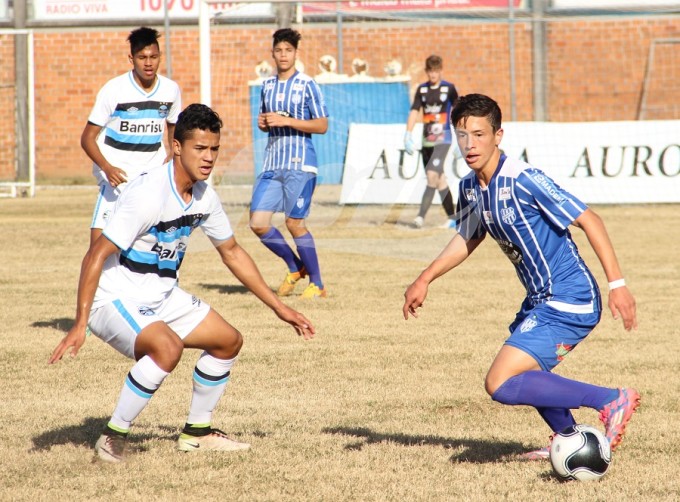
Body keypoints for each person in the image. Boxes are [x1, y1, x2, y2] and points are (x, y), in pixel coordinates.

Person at [49, 104, 315, 463]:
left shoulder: (204, 195)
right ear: (176, 147)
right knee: (167, 348)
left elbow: (232, 252)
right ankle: (112, 438)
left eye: (214, 149)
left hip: (161, 295)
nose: (208, 158)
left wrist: (280, 307)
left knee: (228, 341)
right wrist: (80, 323)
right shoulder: (148, 195)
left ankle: (197, 433)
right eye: (199, 149)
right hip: (115, 299)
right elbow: (95, 255)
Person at [402, 94, 640, 460]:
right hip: (539, 300)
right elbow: (469, 236)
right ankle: (568, 438)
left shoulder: (524, 179)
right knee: (529, 373)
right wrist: (425, 278)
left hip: (570, 297)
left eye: (480, 134)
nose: (470, 144)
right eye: (463, 135)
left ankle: (611, 399)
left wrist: (618, 286)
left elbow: (590, 219)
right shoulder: (470, 188)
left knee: (500, 382)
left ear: (499, 135)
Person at [82, 26, 182, 248]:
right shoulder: (114, 89)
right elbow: (87, 138)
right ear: (131, 58)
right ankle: (96, 281)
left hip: (151, 172)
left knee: (153, 239)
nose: (148, 63)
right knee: (99, 246)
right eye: (142, 57)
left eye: (153, 57)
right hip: (117, 174)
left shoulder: (170, 90)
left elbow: (173, 126)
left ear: (159, 57)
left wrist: (173, 154)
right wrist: (107, 168)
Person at [250, 28, 329, 299]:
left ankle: (317, 283)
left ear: (296, 53)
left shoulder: (308, 84)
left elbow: (322, 125)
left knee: (294, 223)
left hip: (300, 164)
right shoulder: (267, 86)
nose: (283, 55)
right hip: (272, 164)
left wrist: (288, 121)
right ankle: (295, 266)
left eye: (289, 50)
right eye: (279, 50)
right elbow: (267, 122)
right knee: (258, 222)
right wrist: (263, 124)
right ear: (272, 53)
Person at [403, 55, 459, 229]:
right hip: (427, 141)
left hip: (444, 140)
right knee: (440, 179)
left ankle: (420, 217)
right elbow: (414, 112)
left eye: (436, 71)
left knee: (431, 176)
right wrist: (408, 134)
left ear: (440, 71)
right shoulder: (422, 90)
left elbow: (458, 112)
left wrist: (462, 136)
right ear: (427, 72)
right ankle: (454, 218)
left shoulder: (449, 89)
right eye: (430, 71)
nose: (433, 74)